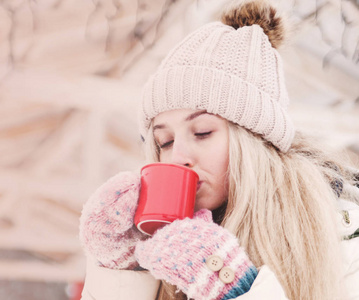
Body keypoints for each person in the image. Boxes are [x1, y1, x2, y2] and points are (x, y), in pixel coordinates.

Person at [79, 0, 359, 299]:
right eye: (165, 142)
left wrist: (230, 284)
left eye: (202, 132)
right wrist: (124, 270)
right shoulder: (169, 249)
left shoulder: (340, 234)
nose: (178, 157)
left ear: (253, 139)